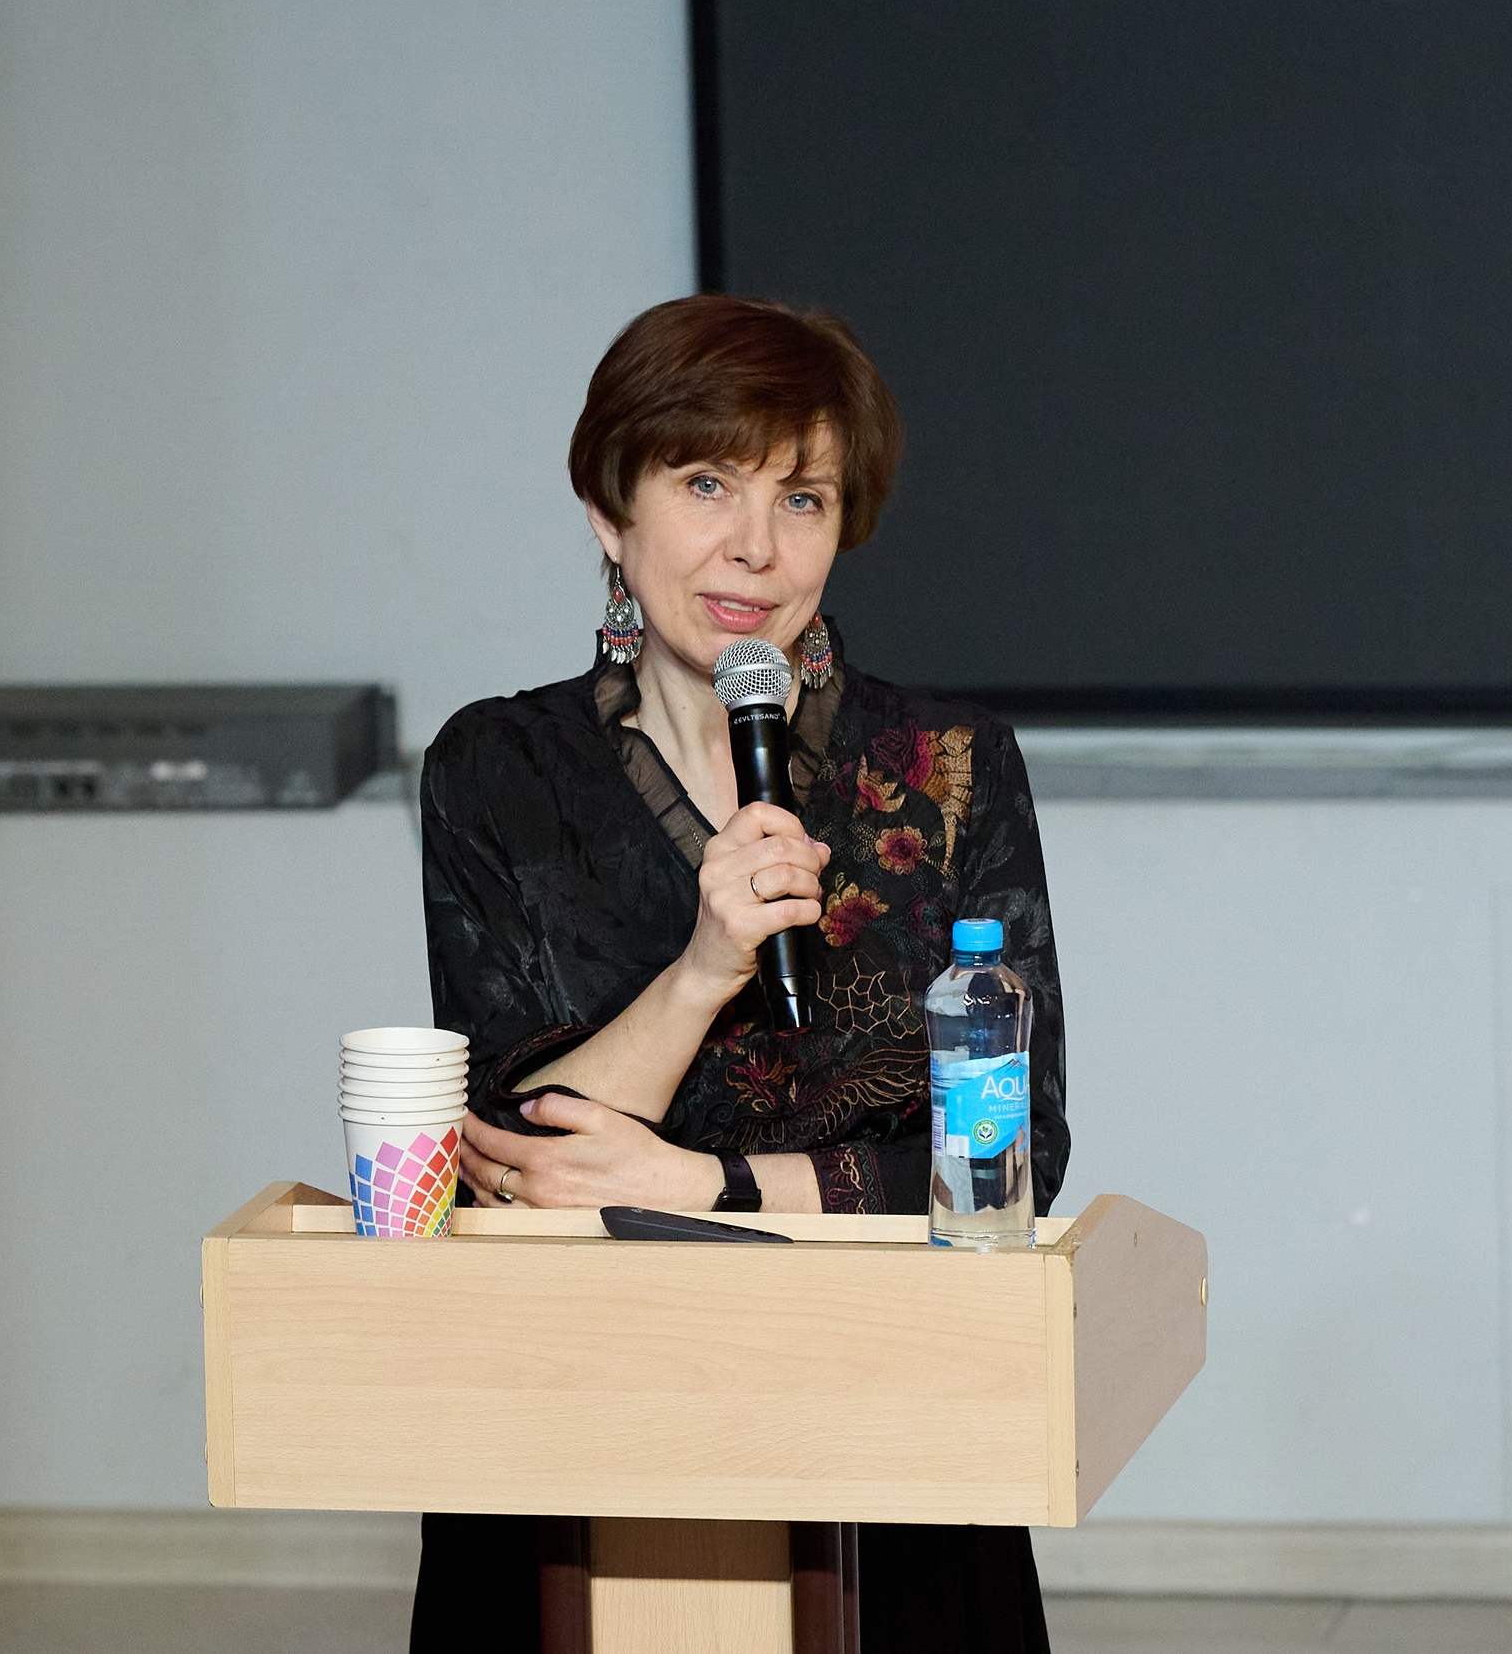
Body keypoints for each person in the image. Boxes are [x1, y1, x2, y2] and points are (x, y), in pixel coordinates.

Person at [410, 293, 1068, 1653]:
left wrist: (701, 1187)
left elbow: (1009, 1156)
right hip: (571, 1410)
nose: (755, 548)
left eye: (803, 499)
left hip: (882, 1416)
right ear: (609, 510)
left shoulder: (947, 768)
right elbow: (514, 1157)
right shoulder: (500, 769)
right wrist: (704, 968)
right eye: (706, 483)